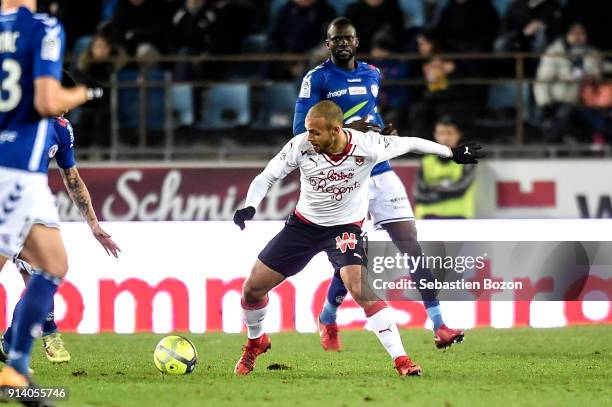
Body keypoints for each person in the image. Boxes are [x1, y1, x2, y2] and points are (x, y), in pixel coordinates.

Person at [233, 100, 482, 376]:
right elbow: (267, 176)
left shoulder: (369, 145)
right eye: (308, 131)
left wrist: (451, 152)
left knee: (360, 288)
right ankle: (256, 342)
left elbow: (410, 143)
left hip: (344, 230)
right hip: (303, 227)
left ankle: (402, 361)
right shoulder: (299, 146)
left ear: (335, 130)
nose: (309, 137)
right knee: (252, 290)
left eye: (315, 132)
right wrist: (250, 205)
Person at [293, 17, 466, 353]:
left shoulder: (373, 73)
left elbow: (371, 115)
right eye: (336, 39)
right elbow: (301, 129)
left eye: (348, 38)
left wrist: (380, 132)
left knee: (411, 245)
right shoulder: (317, 79)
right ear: (328, 45)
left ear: (357, 42)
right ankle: (328, 317)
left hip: (380, 168)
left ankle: (439, 324)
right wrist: (350, 129)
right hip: (344, 176)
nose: (343, 43)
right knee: (354, 259)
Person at [0, 0, 102, 395]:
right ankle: (17, 368)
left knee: (53, 263)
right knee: (49, 266)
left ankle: (17, 367)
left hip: (23, 175)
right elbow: (46, 101)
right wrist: (84, 93)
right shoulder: (42, 28)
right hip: (15, 167)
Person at [0, 71, 120, 366]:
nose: (66, 109)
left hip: (26, 205)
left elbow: (73, 179)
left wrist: (93, 223)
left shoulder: (61, 129)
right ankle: (41, 335)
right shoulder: (15, 114)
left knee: (48, 268)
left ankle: (17, 343)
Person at [415, 116, 477, 219]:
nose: (445, 138)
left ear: (458, 135)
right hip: (427, 217)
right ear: (435, 135)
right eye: (441, 133)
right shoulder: (426, 161)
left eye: (449, 133)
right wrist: (445, 190)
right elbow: (418, 194)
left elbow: (460, 189)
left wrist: (432, 190)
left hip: (458, 216)